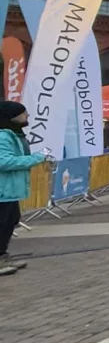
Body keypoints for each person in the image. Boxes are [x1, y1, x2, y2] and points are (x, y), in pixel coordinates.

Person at [0, 102, 48, 276]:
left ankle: (3, 255)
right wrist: (36, 158)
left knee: (11, 220)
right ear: (11, 116)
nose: (27, 116)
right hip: (3, 190)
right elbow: (4, 162)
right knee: (3, 223)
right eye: (23, 113)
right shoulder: (3, 136)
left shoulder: (13, 135)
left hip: (9, 190)